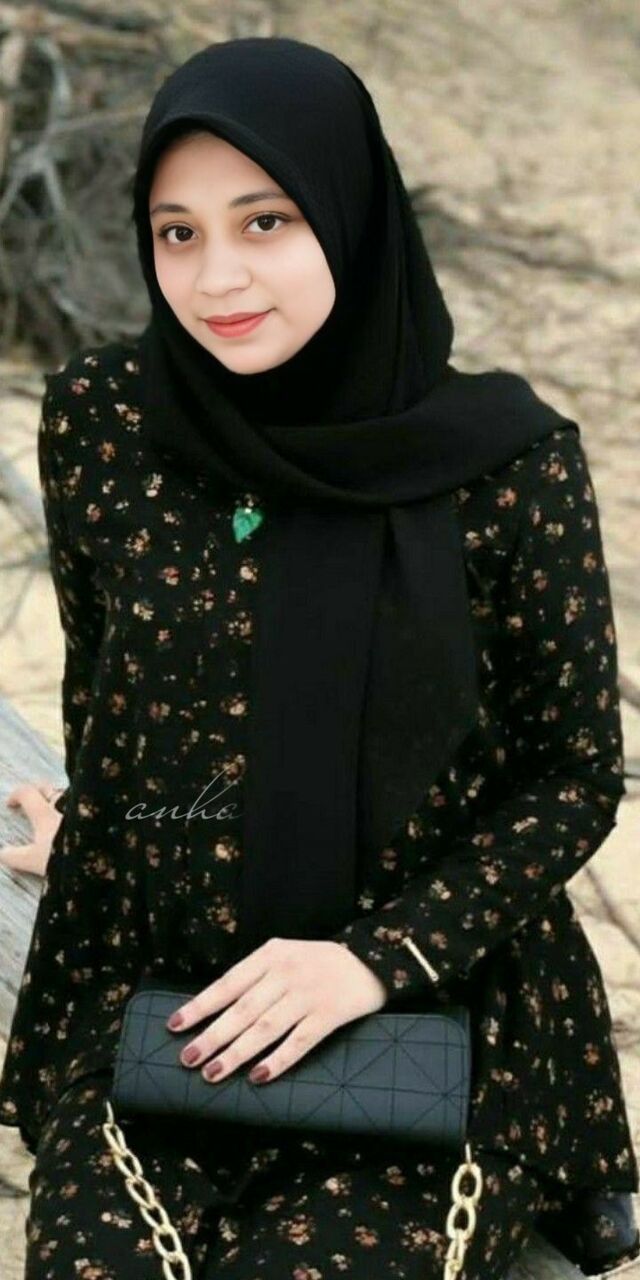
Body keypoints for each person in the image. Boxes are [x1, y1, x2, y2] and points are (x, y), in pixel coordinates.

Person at [1, 34, 638, 1280]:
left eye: (265, 220)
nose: (217, 276)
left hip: (426, 1015)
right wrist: (105, 823)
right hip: (169, 1005)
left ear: (349, 213)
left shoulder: (508, 465)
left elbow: (572, 773)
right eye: (176, 231)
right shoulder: (104, 422)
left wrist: (371, 959)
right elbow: (111, 684)